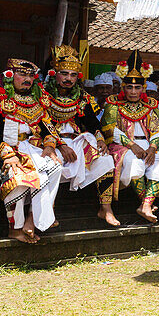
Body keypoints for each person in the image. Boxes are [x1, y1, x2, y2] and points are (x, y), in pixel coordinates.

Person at [0, 58, 63, 243]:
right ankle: (14, 228)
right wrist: (7, 155)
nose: (27, 79)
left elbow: (49, 128)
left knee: (56, 167)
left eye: (31, 76)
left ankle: (33, 218)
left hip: (32, 148)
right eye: (22, 74)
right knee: (20, 178)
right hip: (4, 148)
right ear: (9, 75)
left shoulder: (38, 100)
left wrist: (49, 146)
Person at [44, 46, 115, 222]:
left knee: (106, 159)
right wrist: (60, 144)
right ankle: (47, 212)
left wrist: (100, 138)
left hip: (76, 141)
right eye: (64, 74)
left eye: (73, 75)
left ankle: (105, 208)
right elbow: (40, 122)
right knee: (48, 167)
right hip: (49, 142)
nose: (69, 79)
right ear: (55, 73)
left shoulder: (82, 97)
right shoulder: (42, 94)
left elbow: (92, 121)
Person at [101, 51, 159, 224]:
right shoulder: (113, 103)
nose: (133, 91)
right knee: (135, 164)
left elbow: (156, 129)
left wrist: (153, 148)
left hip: (147, 145)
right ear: (123, 87)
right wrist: (132, 145)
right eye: (129, 87)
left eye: (137, 87)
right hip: (123, 146)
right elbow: (110, 129)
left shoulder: (150, 105)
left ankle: (145, 205)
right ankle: (146, 203)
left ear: (143, 88)